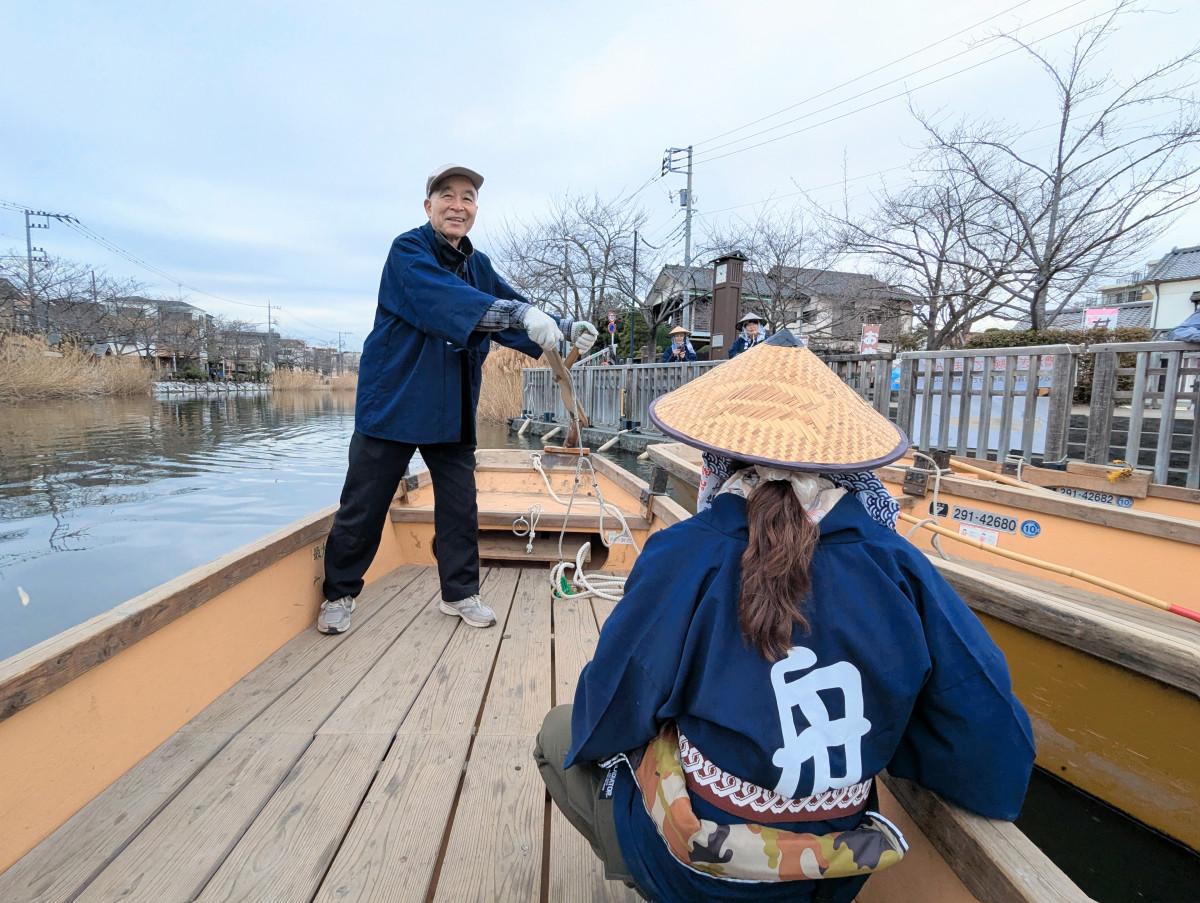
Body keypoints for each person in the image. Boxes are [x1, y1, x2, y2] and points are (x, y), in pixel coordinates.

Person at [535, 329, 1035, 903]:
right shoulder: (900, 564)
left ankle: (653, 880)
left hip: (701, 871)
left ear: (720, 456)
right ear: (845, 466)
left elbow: (613, 706)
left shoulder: (688, 551)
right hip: (834, 872)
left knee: (558, 732)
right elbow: (988, 731)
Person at [317, 164, 598, 634]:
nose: (457, 205)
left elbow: (511, 308)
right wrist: (522, 313)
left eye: (467, 198)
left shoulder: (479, 265)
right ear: (428, 207)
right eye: (446, 195)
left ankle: (460, 593)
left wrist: (564, 328)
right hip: (395, 399)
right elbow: (446, 301)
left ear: (475, 211)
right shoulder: (408, 251)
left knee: (458, 503)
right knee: (365, 502)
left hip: (451, 403)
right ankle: (340, 592)